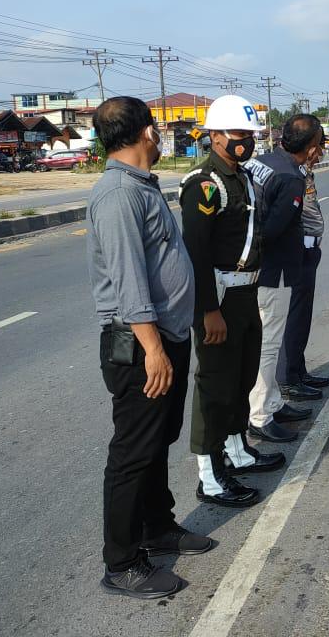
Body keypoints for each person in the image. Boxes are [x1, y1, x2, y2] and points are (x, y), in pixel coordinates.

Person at [86, 97, 211, 600]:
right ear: (147, 133)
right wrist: (153, 349)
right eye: (156, 131)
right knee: (133, 452)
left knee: (158, 439)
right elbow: (129, 281)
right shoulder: (118, 195)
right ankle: (122, 562)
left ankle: (157, 527)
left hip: (164, 337)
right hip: (140, 344)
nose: (159, 138)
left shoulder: (141, 187)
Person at [181, 94, 284, 510]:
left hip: (246, 291)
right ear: (215, 136)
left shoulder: (241, 178)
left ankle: (237, 450)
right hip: (219, 296)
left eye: (251, 135)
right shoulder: (203, 184)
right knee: (214, 384)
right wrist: (208, 310)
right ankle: (209, 474)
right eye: (240, 134)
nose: (248, 142)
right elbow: (196, 253)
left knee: (242, 376)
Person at [244, 114, 320, 451]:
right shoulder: (292, 178)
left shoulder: (263, 162)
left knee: (267, 341)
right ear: (313, 146)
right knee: (268, 344)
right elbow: (271, 230)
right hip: (272, 272)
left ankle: (273, 402)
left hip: (257, 269)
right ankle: (260, 415)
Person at [278, 131, 329, 397]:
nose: (322, 154)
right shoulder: (289, 174)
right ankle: (287, 379)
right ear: (311, 149)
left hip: (309, 251)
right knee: (294, 318)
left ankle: (298, 370)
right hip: (297, 252)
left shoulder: (303, 171)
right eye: (320, 148)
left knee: (303, 316)